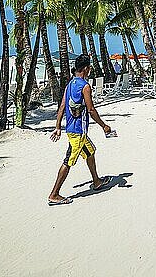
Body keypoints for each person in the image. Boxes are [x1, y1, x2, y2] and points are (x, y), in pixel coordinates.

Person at [48, 54, 113, 206]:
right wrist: (104, 126)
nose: (90, 70)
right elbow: (90, 109)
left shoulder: (70, 84)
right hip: (78, 132)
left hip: (74, 130)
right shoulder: (85, 86)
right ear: (86, 69)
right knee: (68, 161)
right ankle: (54, 194)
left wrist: (58, 127)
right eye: (89, 68)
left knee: (90, 152)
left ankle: (96, 181)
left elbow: (62, 106)